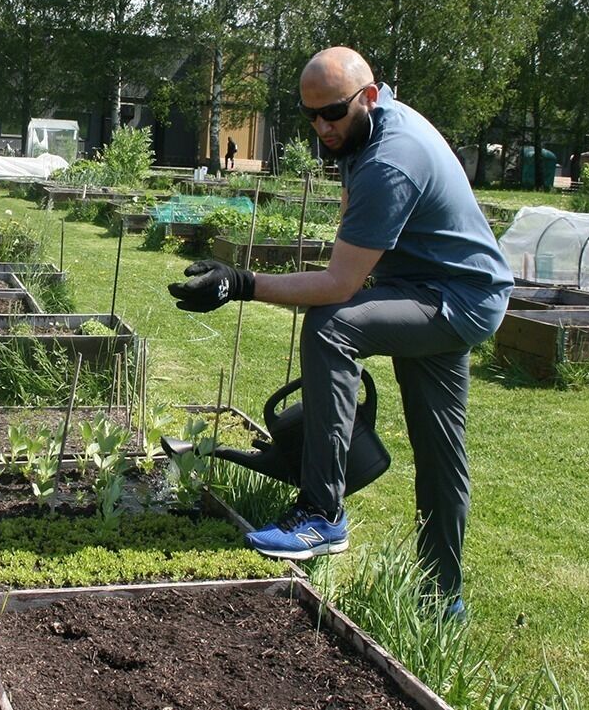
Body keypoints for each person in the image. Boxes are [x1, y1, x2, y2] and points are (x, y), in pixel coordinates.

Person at [168, 46, 512, 616]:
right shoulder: (364, 132)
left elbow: (340, 284)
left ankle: (321, 514)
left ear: (369, 97)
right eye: (310, 115)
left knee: (333, 327)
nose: (321, 127)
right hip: (428, 288)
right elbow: (353, 238)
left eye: (332, 112)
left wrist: (240, 283)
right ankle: (442, 601)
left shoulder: (390, 159)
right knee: (441, 454)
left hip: (459, 299)